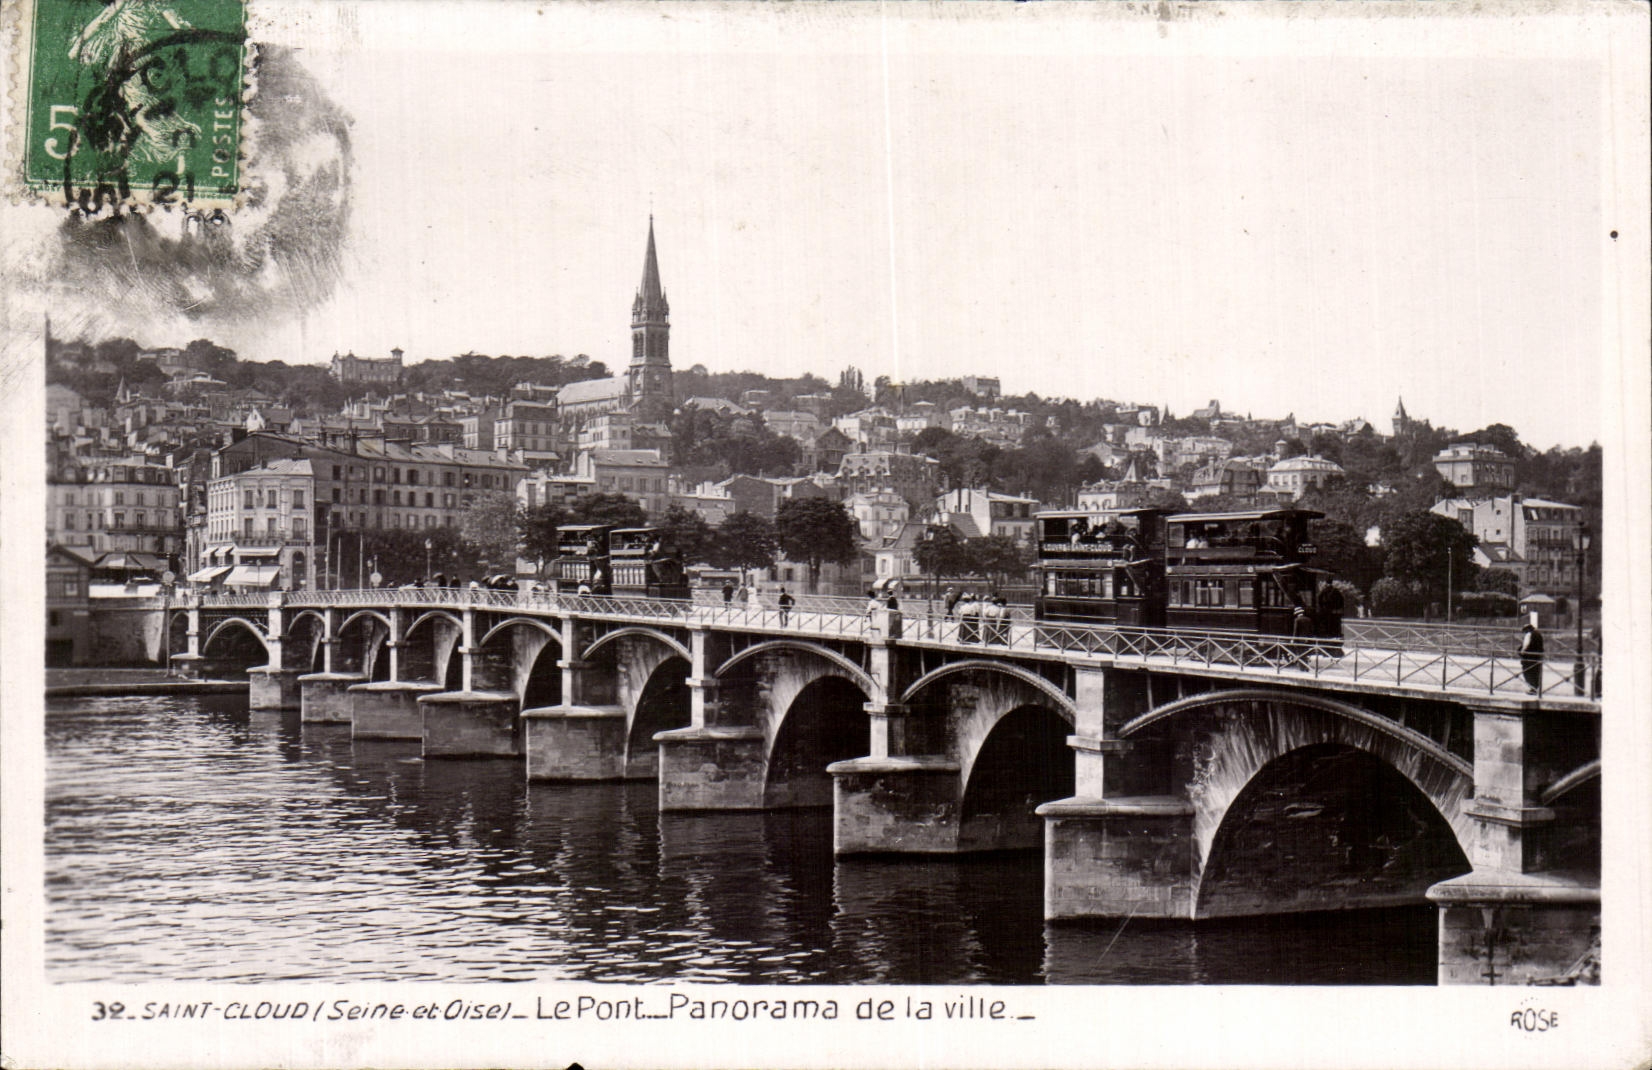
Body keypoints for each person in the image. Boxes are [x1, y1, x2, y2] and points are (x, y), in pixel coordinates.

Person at [1520, 620, 1545, 694]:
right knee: (1536, 672)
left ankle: (1532, 688)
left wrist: (1522, 652)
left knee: (1528, 672)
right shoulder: (1538, 634)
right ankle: (1536, 688)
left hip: (1529, 657)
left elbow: (1526, 646)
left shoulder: (1529, 634)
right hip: (1538, 656)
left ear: (1527, 630)